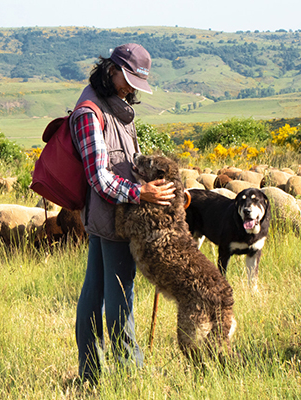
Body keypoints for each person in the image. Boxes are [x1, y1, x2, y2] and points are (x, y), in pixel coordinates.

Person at [71, 43, 176, 384]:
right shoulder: (90, 112)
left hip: (116, 213)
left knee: (97, 290)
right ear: (111, 69)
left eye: (135, 83)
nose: (130, 88)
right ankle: (130, 374)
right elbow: (98, 177)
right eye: (127, 79)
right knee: (120, 293)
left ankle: (91, 376)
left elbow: (129, 160)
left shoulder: (116, 106)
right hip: (112, 216)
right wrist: (141, 192)